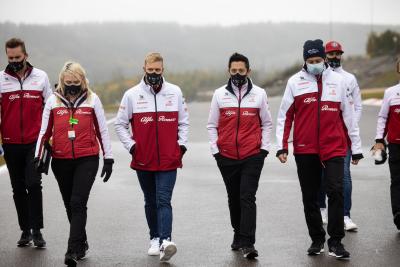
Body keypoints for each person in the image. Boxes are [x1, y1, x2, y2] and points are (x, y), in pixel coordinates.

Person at [276, 39, 363, 260]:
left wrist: (356, 147)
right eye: (310, 60)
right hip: (305, 149)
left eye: (318, 60)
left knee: (335, 191)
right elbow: (284, 117)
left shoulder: (339, 81)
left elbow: (349, 117)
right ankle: (317, 239)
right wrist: (282, 146)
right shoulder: (294, 82)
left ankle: (336, 241)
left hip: (334, 147)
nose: (315, 63)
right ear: (304, 60)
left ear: (324, 59)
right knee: (310, 197)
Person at [34, 62, 114, 267]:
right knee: (70, 204)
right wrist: (37, 156)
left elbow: (103, 130)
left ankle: (71, 251)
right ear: (62, 81)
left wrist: (108, 158)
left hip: (87, 158)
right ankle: (81, 243)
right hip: (60, 161)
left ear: (82, 81)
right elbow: (44, 132)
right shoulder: (53, 101)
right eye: (68, 82)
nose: (71, 85)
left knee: (78, 202)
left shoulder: (92, 99)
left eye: (75, 82)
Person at [114, 52, 189, 262]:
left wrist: (181, 145)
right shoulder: (131, 94)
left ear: (162, 70)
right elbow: (120, 124)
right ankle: (154, 238)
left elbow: (184, 122)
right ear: (144, 69)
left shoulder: (174, 92)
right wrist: (132, 147)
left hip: (168, 158)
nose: (154, 73)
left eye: (157, 70)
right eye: (150, 70)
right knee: (150, 200)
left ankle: (166, 240)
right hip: (143, 158)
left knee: (164, 199)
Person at [207, 53, 273, 259]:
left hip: (252, 155)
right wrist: (215, 151)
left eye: (241, 71)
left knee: (247, 197)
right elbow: (211, 124)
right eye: (234, 71)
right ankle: (238, 233)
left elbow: (267, 123)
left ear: (248, 71)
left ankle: (248, 243)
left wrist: (263, 150)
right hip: (225, 155)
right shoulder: (219, 94)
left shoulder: (259, 94)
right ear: (229, 71)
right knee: (234, 197)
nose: (237, 74)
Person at [0, 38, 52, 247]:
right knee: (18, 188)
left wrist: (49, 137)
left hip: (35, 142)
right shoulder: (1, 80)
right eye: (10, 57)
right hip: (11, 143)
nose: (14, 61)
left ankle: (37, 230)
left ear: (26, 56)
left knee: (33, 183)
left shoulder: (41, 77)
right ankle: (25, 231)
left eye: (17, 57)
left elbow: (50, 108)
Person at [318, 41, 362, 231]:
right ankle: (322, 208)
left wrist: (349, 124)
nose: (335, 56)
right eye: (331, 53)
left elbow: (357, 106)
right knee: (320, 176)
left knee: (344, 177)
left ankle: (345, 215)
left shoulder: (350, 79)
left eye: (338, 53)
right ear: (325, 56)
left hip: (343, 137)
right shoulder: (318, 76)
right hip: (321, 136)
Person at [372, 59, 400, 230]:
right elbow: (383, 117)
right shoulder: (390, 92)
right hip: (396, 146)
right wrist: (379, 140)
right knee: (397, 181)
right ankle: (398, 214)